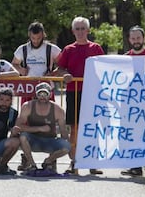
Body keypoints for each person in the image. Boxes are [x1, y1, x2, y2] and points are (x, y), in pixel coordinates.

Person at [55, 16, 105, 175]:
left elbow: (105, 68)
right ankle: (74, 163)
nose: (80, 31)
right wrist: (66, 74)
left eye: (83, 28)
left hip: (92, 93)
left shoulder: (96, 48)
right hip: (73, 92)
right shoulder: (68, 49)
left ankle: (92, 163)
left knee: (92, 128)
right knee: (75, 129)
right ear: (73, 31)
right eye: (77, 28)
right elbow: (60, 69)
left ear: (88, 30)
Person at [11, 21, 61, 170]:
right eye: (33, 38)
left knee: (50, 122)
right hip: (27, 89)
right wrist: (21, 70)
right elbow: (14, 63)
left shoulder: (51, 49)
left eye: (38, 38)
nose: (36, 41)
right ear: (29, 36)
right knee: (25, 123)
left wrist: (53, 72)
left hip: (46, 89)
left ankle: (51, 161)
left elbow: (63, 63)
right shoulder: (23, 49)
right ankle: (26, 158)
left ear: (43, 35)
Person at [121, 25, 145, 180]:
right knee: (133, 135)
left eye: (138, 38)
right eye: (133, 38)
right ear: (129, 40)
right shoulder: (124, 58)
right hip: (130, 105)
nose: (136, 41)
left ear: (144, 39)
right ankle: (135, 167)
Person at [14, 82, 70, 173]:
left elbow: (64, 132)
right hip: (33, 141)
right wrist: (39, 129)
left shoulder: (58, 109)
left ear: (50, 94)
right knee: (23, 137)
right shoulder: (27, 106)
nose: (43, 97)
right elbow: (17, 127)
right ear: (36, 94)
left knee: (67, 146)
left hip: (50, 141)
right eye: (40, 94)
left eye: (45, 94)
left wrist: (69, 147)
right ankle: (32, 164)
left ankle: (48, 161)